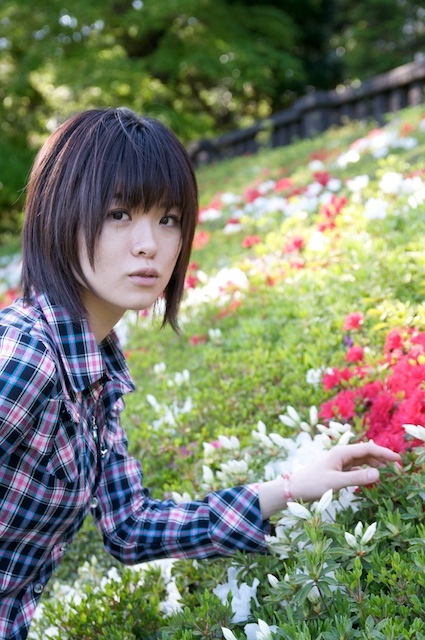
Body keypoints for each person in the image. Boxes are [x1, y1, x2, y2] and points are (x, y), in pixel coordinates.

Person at [0, 107, 401, 639]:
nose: (149, 244)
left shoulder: (91, 364)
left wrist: (291, 487)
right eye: (119, 213)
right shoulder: (25, 356)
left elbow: (130, 526)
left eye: (168, 219)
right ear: (59, 212)